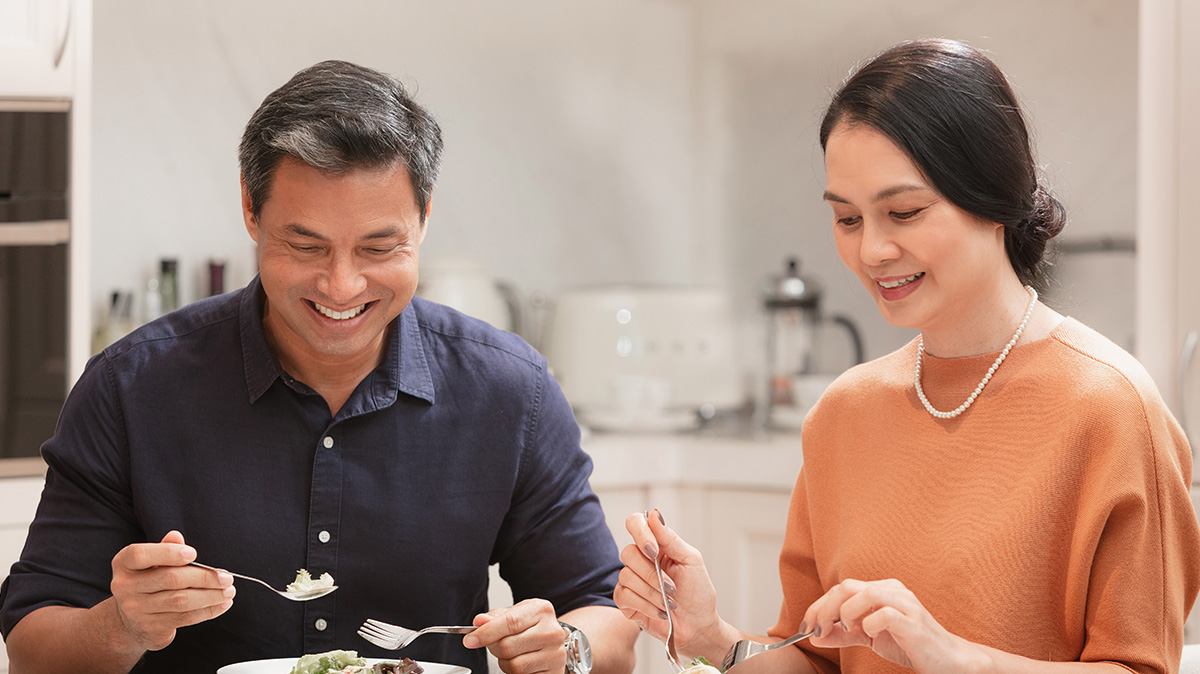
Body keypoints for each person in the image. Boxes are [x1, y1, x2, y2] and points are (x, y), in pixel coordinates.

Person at [0, 60, 638, 674]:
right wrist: (122, 626)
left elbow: (605, 617)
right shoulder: (131, 388)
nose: (341, 285)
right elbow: (32, 647)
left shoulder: (510, 390)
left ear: (424, 217)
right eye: (304, 245)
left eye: (379, 247)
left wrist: (568, 648)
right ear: (251, 211)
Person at [615, 39, 1200, 674]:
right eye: (847, 219)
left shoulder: (1112, 409)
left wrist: (949, 657)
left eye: (904, 212)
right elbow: (814, 663)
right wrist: (715, 640)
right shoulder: (844, 412)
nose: (871, 251)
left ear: (994, 199)